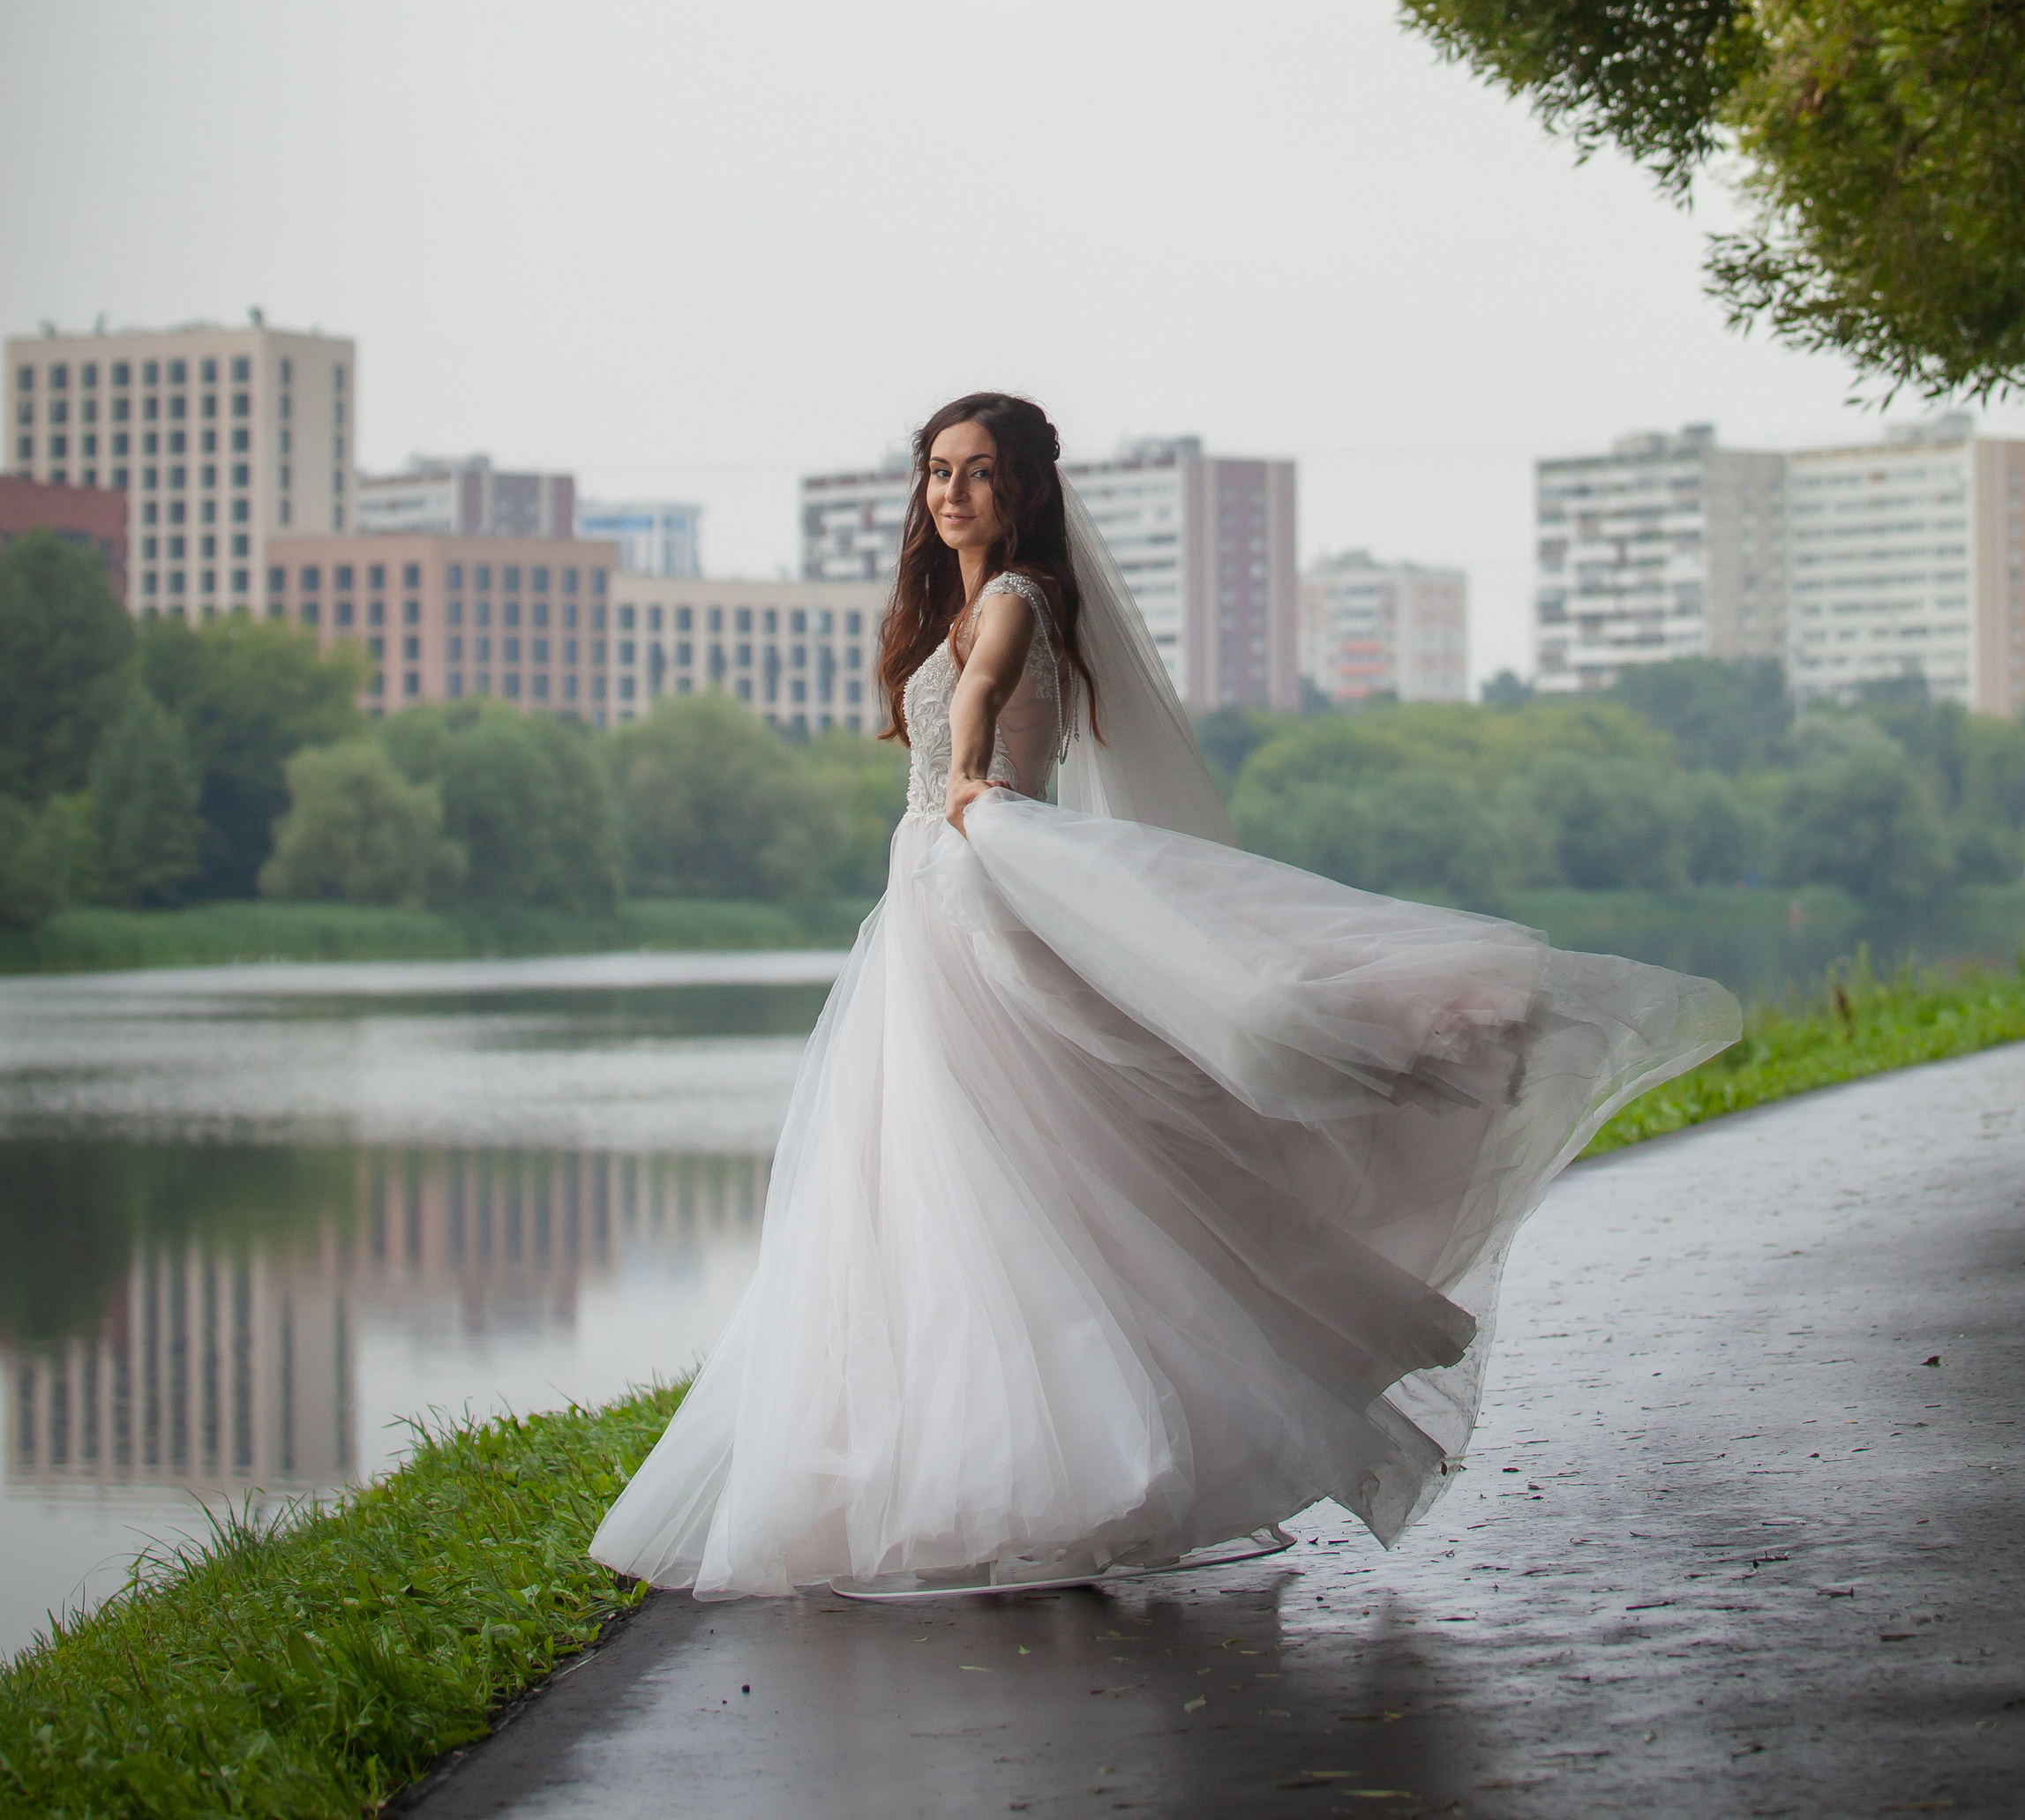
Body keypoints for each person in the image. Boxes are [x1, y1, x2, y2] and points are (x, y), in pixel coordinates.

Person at [589, 392, 1736, 1599]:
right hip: (931, 908)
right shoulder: (957, 601)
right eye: (937, 472)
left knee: (1008, 1159)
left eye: (978, 473)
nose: (952, 493)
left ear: (1025, 490)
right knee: (939, 1172)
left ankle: (1046, 1459)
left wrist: (970, 778)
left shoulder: (1015, 601)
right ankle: (946, 1458)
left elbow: (979, 697)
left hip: (971, 875)